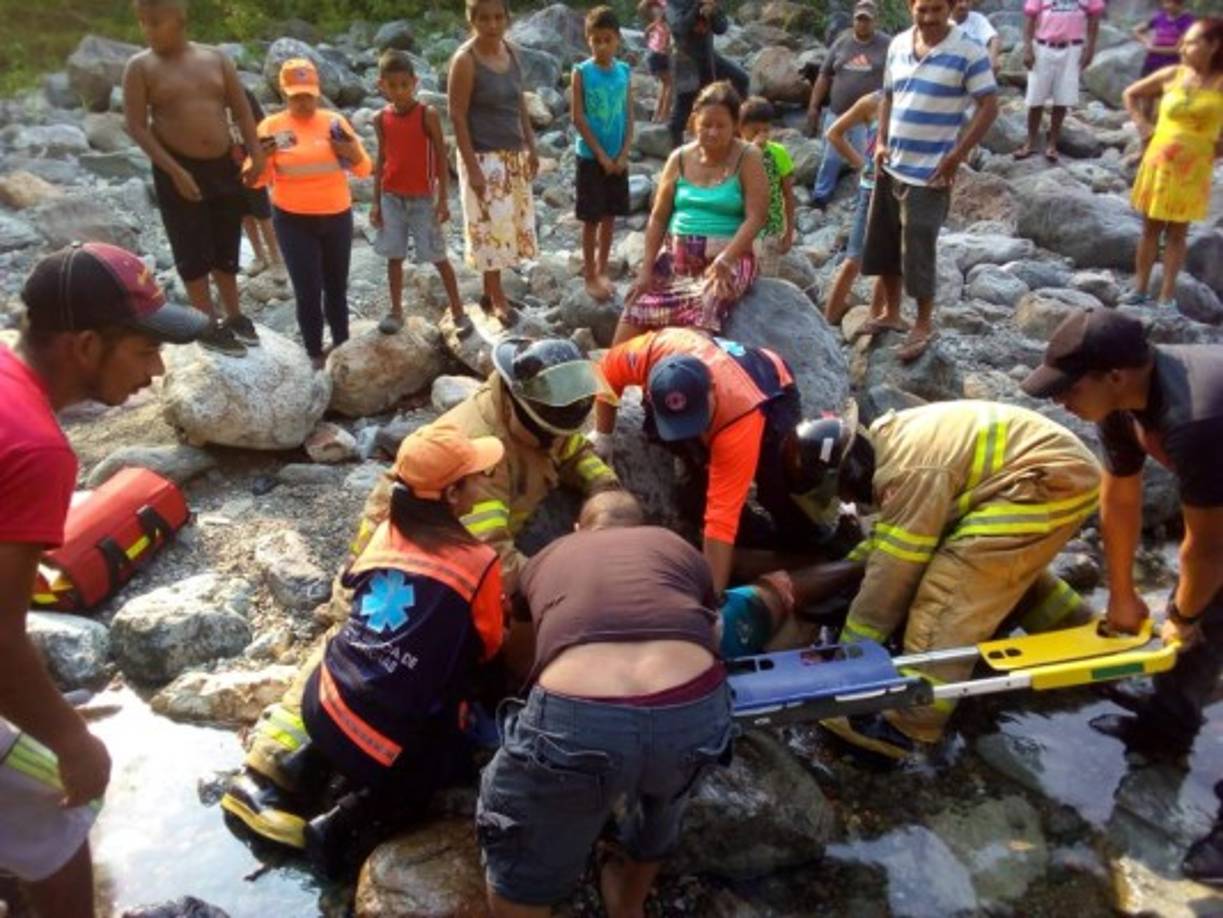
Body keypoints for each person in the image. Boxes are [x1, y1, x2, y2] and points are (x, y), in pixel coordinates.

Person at [221, 338, 620, 850]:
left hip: (420, 553)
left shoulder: (538, 418)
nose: (566, 425)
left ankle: (327, 766)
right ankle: (269, 774)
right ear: (520, 406)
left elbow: (570, 448)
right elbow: (500, 571)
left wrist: (601, 487)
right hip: (399, 562)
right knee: (365, 649)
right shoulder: (475, 459)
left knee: (385, 657)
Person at [1, 243, 206, 915]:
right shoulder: (35, 448)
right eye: (145, 351)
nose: (157, 372)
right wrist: (71, 741)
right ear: (86, 345)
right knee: (55, 805)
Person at [227, 426, 508, 873]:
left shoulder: (385, 533)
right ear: (453, 494)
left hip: (322, 701)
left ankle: (306, 766)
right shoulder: (478, 563)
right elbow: (490, 646)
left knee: (370, 677)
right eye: (475, 476)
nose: (484, 480)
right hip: (387, 744)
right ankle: (345, 823)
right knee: (452, 756)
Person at [1020, 309, 1223, 883]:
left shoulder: (1196, 419)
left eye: (1068, 387)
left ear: (1114, 374)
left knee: (1200, 607)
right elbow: (1120, 500)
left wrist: (1181, 614)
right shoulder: (1124, 404)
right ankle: (1167, 728)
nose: (1061, 401)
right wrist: (1124, 596)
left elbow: (1206, 551)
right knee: (1200, 615)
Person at [477, 492, 734, 917]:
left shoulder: (549, 555)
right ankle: (627, 904)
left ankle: (526, 898)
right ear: (642, 528)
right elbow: (709, 627)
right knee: (668, 793)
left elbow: (521, 658)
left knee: (513, 828)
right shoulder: (677, 549)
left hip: (579, 715)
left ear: (578, 529)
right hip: (692, 708)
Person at [803, 400, 1100, 759]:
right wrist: (840, 585)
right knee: (996, 569)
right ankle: (1077, 631)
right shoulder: (893, 444)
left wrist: (850, 656)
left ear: (850, 471)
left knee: (950, 588)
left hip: (1043, 479)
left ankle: (908, 722)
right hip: (1050, 468)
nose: (851, 502)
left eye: (845, 493)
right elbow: (889, 544)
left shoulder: (910, 471)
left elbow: (893, 573)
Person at [593, 327, 800, 595]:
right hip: (714, 399)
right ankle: (745, 544)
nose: (696, 433)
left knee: (778, 489)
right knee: (694, 499)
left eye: (696, 421)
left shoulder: (739, 417)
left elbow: (721, 520)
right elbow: (606, 372)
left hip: (771, 394)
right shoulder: (650, 351)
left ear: (712, 390)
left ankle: (799, 547)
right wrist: (604, 436)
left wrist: (710, 601)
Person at [122, 0, 263, 355]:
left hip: (221, 165)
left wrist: (256, 154)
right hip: (177, 167)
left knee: (225, 240)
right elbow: (137, 126)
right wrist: (174, 170)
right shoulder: (140, 67)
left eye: (155, 22)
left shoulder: (215, 58)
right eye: (142, 23)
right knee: (191, 245)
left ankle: (235, 315)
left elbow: (243, 111)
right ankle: (206, 322)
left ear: (179, 19)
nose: (148, 30)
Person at [863, 0, 998, 363]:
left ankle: (923, 322)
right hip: (891, 164)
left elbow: (989, 105)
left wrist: (958, 154)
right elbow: (888, 96)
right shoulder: (897, 44)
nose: (928, 17)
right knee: (885, 241)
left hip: (932, 173)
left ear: (951, 8)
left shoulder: (968, 50)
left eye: (937, 9)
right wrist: (881, 140)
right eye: (922, 9)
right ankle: (891, 312)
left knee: (919, 247)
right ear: (911, 7)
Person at [616, 82, 768, 345]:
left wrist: (727, 259)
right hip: (677, 259)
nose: (712, 132)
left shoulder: (748, 156)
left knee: (707, 308)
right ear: (693, 121)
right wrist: (646, 268)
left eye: (721, 125)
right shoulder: (679, 158)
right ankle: (607, 381)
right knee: (635, 307)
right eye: (706, 124)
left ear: (735, 126)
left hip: (728, 257)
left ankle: (684, 378)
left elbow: (756, 216)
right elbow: (659, 217)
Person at [251, 59, 371, 370]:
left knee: (336, 287)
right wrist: (261, 161)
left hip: (336, 216)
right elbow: (254, 181)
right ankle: (314, 353)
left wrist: (350, 152)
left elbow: (364, 168)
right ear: (283, 94)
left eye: (308, 95)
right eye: (296, 96)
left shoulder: (333, 121)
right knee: (307, 290)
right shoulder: (270, 127)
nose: (303, 102)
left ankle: (343, 346)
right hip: (293, 220)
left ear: (317, 93)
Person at [1121, 19, 1223, 311]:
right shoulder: (1172, 74)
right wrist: (1141, 124)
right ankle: (1139, 289)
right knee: (1150, 227)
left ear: (1213, 45)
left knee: (1178, 232)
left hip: (1194, 166)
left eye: (1191, 42)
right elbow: (1131, 93)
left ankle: (1166, 297)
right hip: (1160, 160)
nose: (1182, 47)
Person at [449, 0, 540, 326]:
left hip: (512, 152)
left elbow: (519, 102)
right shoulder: (465, 60)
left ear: (507, 18)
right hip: (483, 154)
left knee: (509, 227)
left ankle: (494, 288)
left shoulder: (512, 53)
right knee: (489, 228)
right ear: (472, 20)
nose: (492, 24)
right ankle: (494, 294)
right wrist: (472, 167)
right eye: (484, 18)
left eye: (499, 17)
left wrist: (531, 145)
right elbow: (457, 115)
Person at [370, 50, 468, 337]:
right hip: (391, 197)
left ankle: (458, 308)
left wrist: (442, 199)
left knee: (438, 255)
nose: (399, 92)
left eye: (404, 85)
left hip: (423, 199)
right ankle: (396, 310)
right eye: (392, 86)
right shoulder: (380, 118)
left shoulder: (427, 114)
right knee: (394, 256)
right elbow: (381, 158)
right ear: (382, 86)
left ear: (414, 82)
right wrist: (375, 202)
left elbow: (440, 154)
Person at [821, 90, 900, 333]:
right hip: (872, 189)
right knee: (854, 257)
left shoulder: (916, 100)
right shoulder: (871, 102)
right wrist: (861, 163)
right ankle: (825, 323)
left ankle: (876, 315)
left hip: (901, 187)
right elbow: (833, 133)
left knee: (888, 260)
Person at [572, 6, 634, 302]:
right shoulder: (582, 72)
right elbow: (578, 117)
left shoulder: (624, 71)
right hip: (590, 158)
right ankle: (589, 274)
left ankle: (602, 268)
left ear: (618, 39)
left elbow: (629, 114)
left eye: (607, 40)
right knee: (591, 217)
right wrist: (601, 155)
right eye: (596, 40)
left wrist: (623, 154)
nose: (602, 46)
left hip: (617, 158)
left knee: (610, 215)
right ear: (588, 41)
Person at [805, 0, 891, 209]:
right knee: (830, 158)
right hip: (837, 112)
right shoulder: (841, 43)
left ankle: (865, 198)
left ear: (875, 21)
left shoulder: (887, 44)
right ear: (853, 19)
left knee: (864, 160)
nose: (863, 24)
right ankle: (820, 197)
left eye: (867, 20)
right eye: (859, 19)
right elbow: (824, 75)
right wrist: (813, 106)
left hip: (868, 117)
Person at [1016, 0, 1103, 162]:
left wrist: (1090, 49)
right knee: (1035, 97)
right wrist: (1027, 48)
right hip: (1042, 47)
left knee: (1062, 98)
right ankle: (1030, 142)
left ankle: (1052, 144)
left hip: (1072, 49)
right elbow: (1030, 19)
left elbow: (1094, 19)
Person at [667, 0, 750, 148]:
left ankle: (736, 134)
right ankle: (676, 153)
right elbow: (679, 27)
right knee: (683, 107)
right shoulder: (676, 2)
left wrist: (712, 12)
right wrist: (697, 7)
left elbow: (721, 27)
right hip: (685, 60)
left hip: (709, 58)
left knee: (741, 80)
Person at [738, 97, 796, 278]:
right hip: (739, 226)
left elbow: (788, 193)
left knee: (767, 279)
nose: (762, 135)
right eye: (755, 131)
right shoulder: (736, 153)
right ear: (740, 129)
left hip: (771, 227)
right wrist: (753, 149)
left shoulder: (778, 152)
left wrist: (788, 233)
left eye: (766, 130)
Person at [233, 87, 284, 280]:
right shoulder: (210, 95)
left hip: (250, 158)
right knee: (243, 211)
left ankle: (276, 258)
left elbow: (260, 123)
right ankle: (259, 256)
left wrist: (258, 154)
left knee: (262, 210)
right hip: (226, 162)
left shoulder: (243, 93)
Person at [1134, 0, 1196, 77]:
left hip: (1171, 66)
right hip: (1151, 63)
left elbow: (1177, 49)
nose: (1165, 6)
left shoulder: (1188, 21)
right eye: (1163, 3)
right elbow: (1137, 30)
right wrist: (1147, 42)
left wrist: (1153, 49)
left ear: (1179, 3)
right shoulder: (1159, 16)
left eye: (1168, 3)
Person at [641, 0, 673, 124]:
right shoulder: (664, 21)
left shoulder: (657, 21)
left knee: (664, 84)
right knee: (670, 84)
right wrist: (666, 47)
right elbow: (667, 34)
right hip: (660, 54)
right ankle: (663, 116)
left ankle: (657, 115)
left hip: (652, 53)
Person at [952, 0, 1001, 71]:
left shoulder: (977, 19)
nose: (964, 5)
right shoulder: (943, 22)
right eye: (960, 1)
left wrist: (992, 58)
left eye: (967, 1)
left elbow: (994, 39)